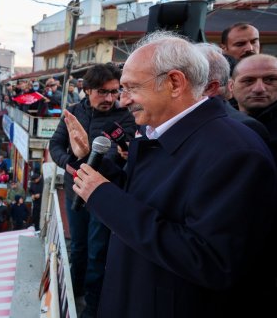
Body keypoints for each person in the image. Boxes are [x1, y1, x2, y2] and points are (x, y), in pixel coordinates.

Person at [69, 31, 277, 317]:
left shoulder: (236, 153)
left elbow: (210, 260)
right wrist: (95, 166)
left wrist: (103, 195)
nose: (123, 101)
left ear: (175, 83)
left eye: (131, 88)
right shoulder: (161, 133)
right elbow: (146, 199)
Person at [49, 62, 136, 317]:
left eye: (114, 91)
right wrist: (69, 164)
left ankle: (92, 306)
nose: (110, 98)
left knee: (98, 250)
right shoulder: (74, 112)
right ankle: (73, 292)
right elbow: (55, 146)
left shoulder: (125, 117)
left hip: (103, 193)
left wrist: (99, 155)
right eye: (103, 92)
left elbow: (118, 160)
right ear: (87, 90)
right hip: (75, 188)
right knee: (78, 246)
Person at [228, 54, 277, 159]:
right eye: (248, 81)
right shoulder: (217, 121)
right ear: (231, 86)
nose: (259, 89)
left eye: (270, 80)